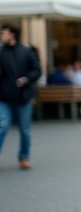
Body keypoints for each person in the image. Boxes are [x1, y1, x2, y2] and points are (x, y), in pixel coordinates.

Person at [0, 22, 42, 170]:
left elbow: (37, 70)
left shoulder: (26, 52)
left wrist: (26, 78)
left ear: (12, 34)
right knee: (2, 125)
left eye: (3, 33)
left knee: (25, 130)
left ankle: (24, 157)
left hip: (23, 98)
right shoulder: (1, 52)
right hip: (4, 98)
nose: (1, 36)